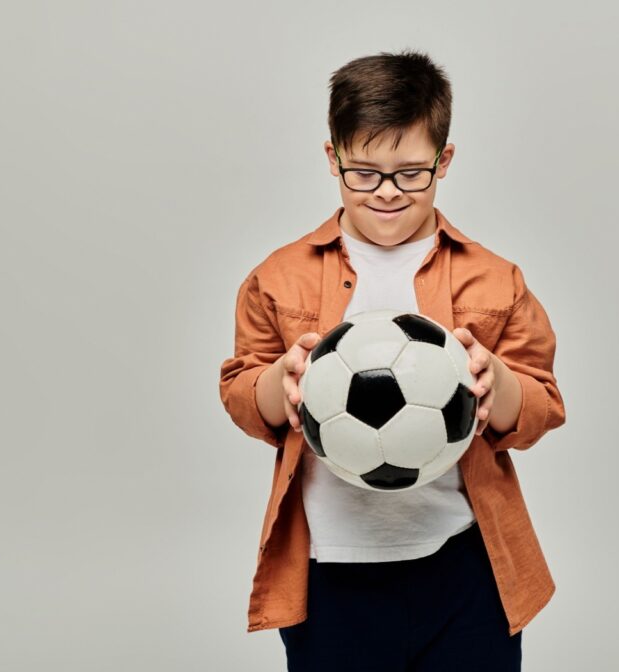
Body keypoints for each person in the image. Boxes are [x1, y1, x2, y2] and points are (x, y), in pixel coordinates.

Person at [218, 49, 567, 671]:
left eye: (410, 173)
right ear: (332, 158)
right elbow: (243, 393)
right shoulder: (278, 279)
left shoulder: (493, 279)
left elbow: (542, 403)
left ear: (444, 160)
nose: (386, 192)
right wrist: (280, 381)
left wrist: (499, 384)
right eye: (364, 171)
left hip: (466, 566)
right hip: (330, 572)